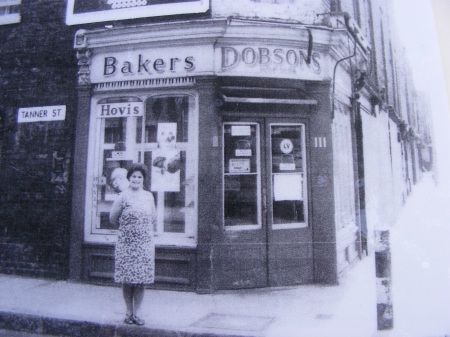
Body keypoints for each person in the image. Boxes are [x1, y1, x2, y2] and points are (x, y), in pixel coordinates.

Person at [109, 163, 156, 326]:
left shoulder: (149, 196)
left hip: (144, 245)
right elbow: (112, 219)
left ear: (143, 179)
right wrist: (129, 230)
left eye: (139, 177)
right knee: (127, 280)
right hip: (126, 245)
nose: (136, 179)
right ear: (129, 179)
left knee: (141, 280)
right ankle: (129, 312)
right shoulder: (123, 196)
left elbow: (153, 219)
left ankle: (138, 313)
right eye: (134, 176)